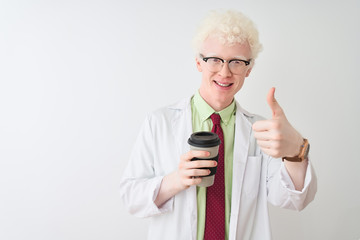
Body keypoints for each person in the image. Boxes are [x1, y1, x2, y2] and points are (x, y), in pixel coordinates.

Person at [119, 9, 317, 240]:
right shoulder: (159, 121)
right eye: (214, 59)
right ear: (198, 62)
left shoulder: (261, 131)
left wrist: (296, 151)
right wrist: (176, 180)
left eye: (236, 62)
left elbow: (292, 199)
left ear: (249, 69)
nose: (225, 72)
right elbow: (131, 198)